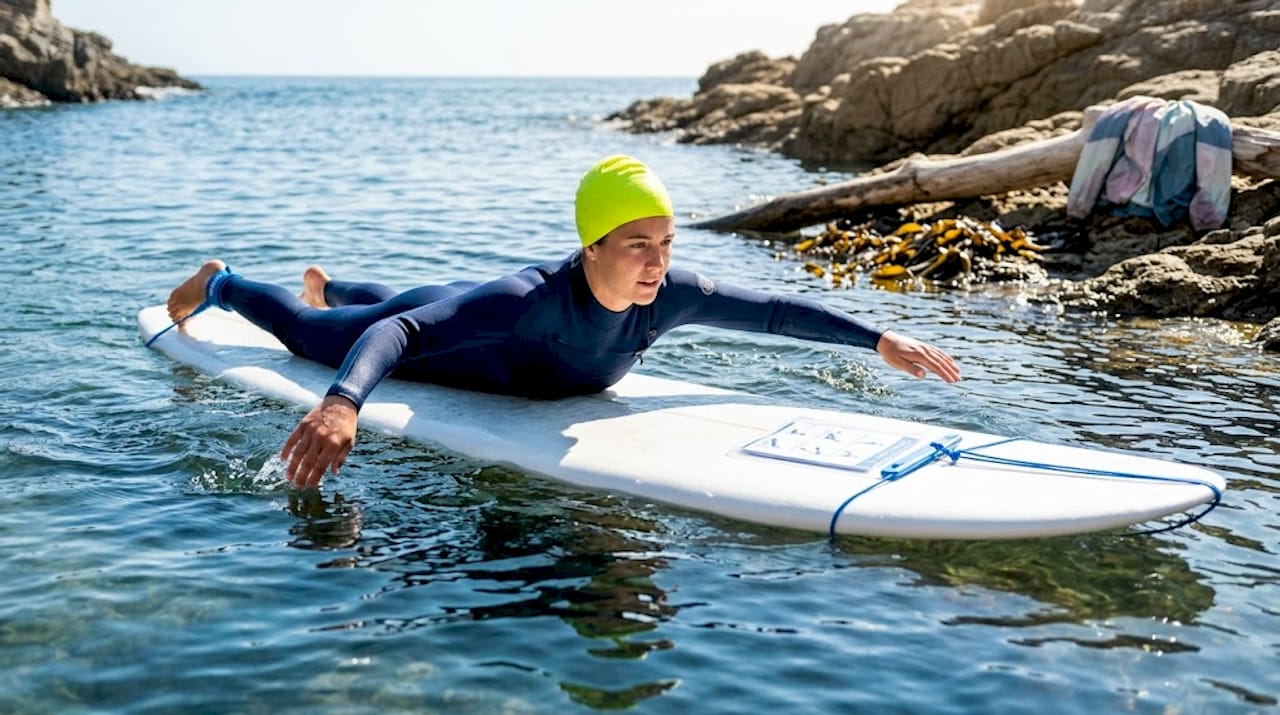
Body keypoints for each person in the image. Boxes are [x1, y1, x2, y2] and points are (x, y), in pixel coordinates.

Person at [165, 155, 961, 489]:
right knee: (321, 332)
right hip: (451, 328)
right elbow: (402, 339)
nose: (657, 262)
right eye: (636, 245)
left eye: (667, 243)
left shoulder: (670, 292)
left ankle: (334, 280)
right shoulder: (528, 300)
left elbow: (776, 312)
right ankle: (228, 281)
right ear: (590, 247)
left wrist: (878, 337)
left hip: (459, 300)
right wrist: (342, 404)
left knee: (418, 295)